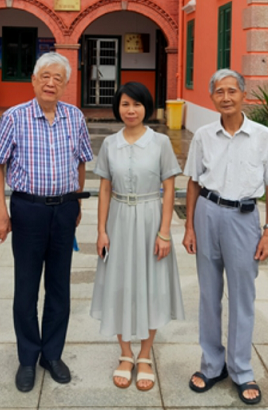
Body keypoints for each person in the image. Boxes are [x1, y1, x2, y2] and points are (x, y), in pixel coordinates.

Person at [0, 52, 93, 392]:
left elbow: (81, 161)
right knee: (27, 286)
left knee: (60, 286)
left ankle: (52, 353)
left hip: (63, 210)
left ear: (65, 84)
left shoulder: (75, 116)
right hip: (28, 210)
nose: (51, 83)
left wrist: (76, 202)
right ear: (33, 81)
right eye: (45, 76)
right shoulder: (14, 117)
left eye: (58, 78)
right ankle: (27, 357)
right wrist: (2, 212)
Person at [182, 69, 268, 405]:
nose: (225, 97)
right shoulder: (203, 136)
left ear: (244, 95)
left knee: (243, 297)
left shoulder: (264, 136)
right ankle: (212, 365)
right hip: (207, 214)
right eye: (219, 92)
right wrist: (188, 227)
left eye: (232, 91)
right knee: (209, 295)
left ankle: (241, 369)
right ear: (212, 97)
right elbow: (194, 182)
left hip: (244, 219)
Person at [90, 82, 185, 391]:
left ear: (147, 108)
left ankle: (145, 354)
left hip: (150, 217)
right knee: (119, 284)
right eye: (125, 104)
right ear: (118, 107)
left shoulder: (160, 143)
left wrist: (165, 232)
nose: (130, 110)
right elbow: (105, 188)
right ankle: (125, 353)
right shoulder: (110, 143)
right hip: (118, 218)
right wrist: (102, 230)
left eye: (137, 104)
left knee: (151, 284)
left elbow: (169, 187)